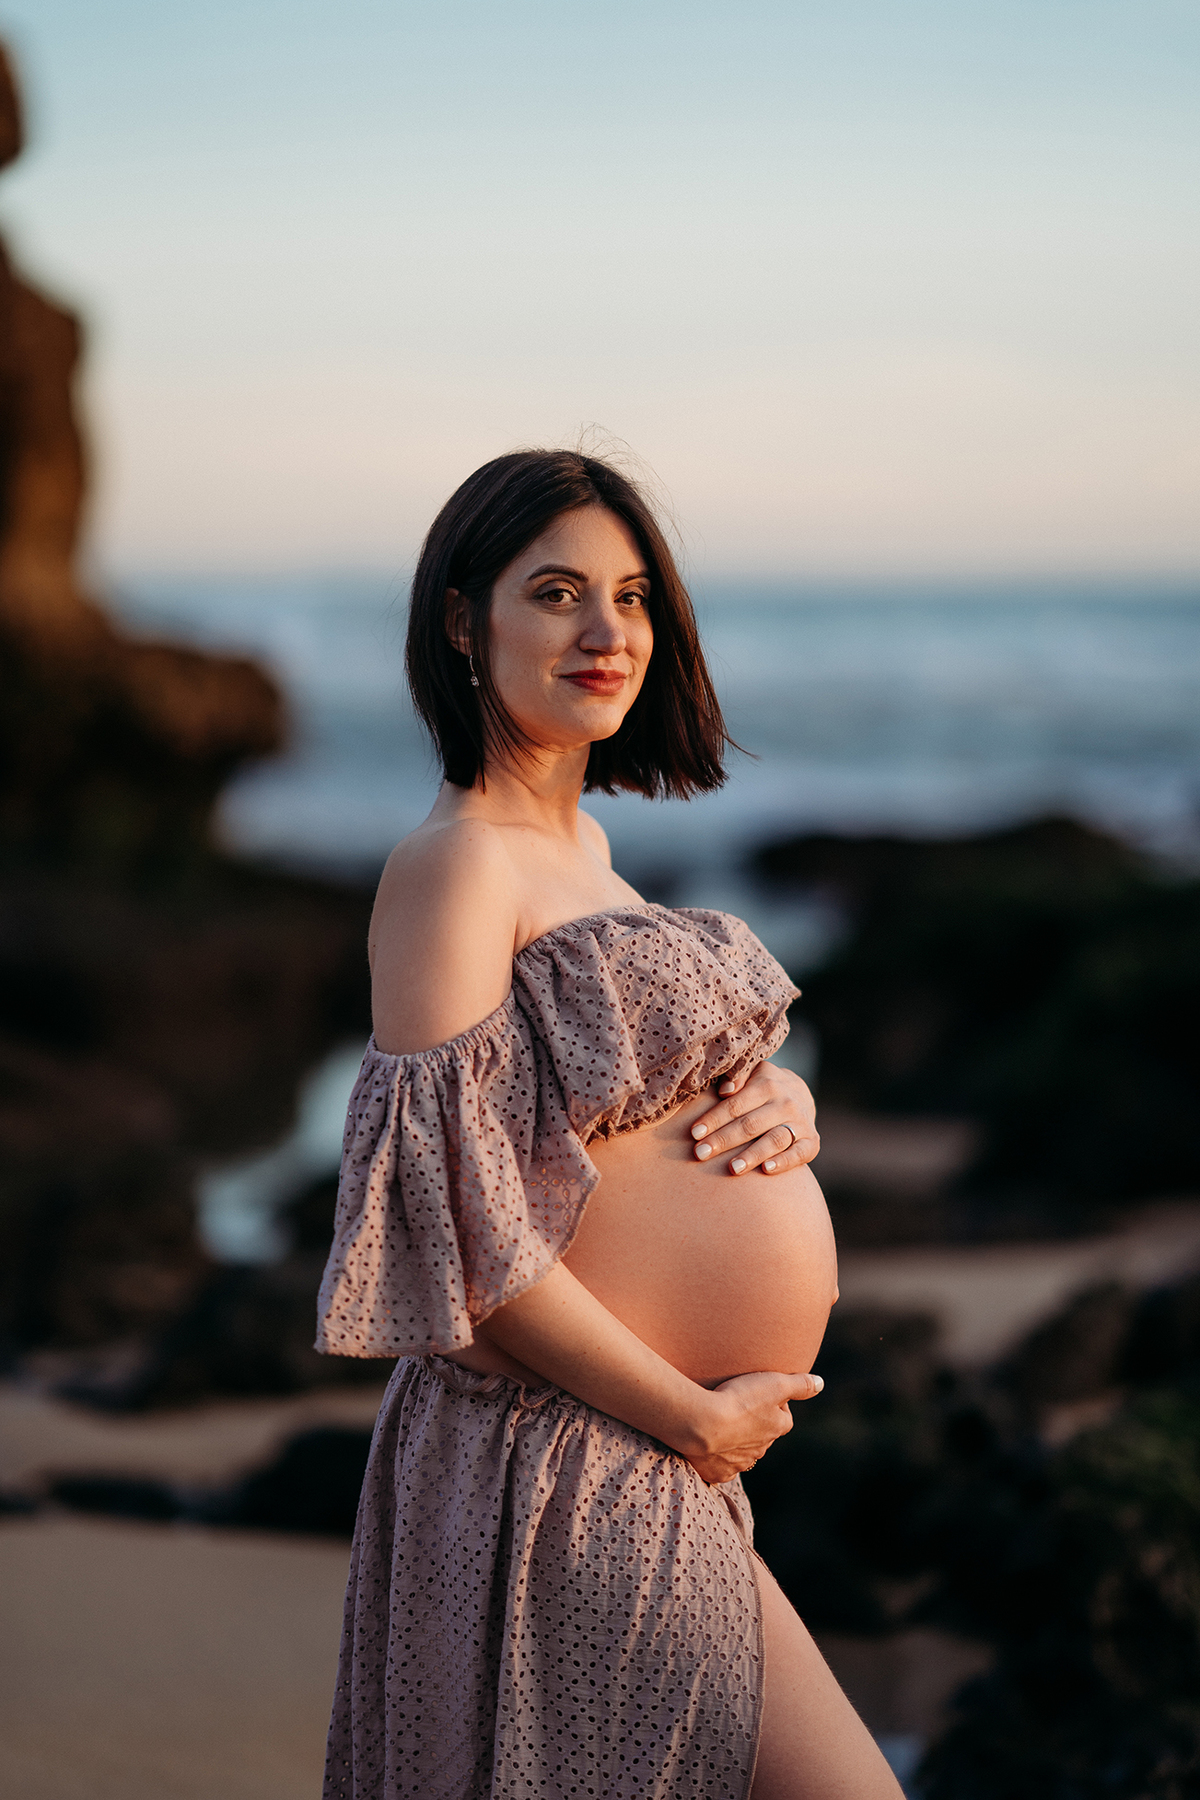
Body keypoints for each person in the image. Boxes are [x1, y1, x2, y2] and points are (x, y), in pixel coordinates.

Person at [317, 450, 904, 1800]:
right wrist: (689, 1420)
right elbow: (457, 1239)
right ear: (465, 620)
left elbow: (606, 1118)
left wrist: (778, 1100)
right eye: (559, 592)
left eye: (633, 597)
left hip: (645, 1450)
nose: (606, 632)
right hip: (565, 1455)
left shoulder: (588, 857)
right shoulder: (456, 863)